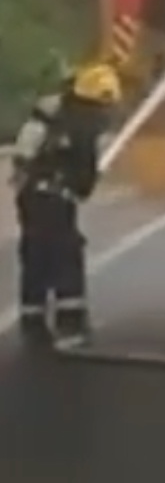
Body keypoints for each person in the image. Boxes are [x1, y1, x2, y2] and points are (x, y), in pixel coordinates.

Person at [10, 61, 119, 349]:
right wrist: (85, 183)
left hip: (31, 197)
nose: (105, 112)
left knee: (37, 256)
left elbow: (23, 157)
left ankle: (32, 323)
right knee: (66, 256)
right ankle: (71, 327)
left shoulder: (49, 117)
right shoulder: (83, 127)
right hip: (56, 201)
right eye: (103, 104)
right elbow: (85, 179)